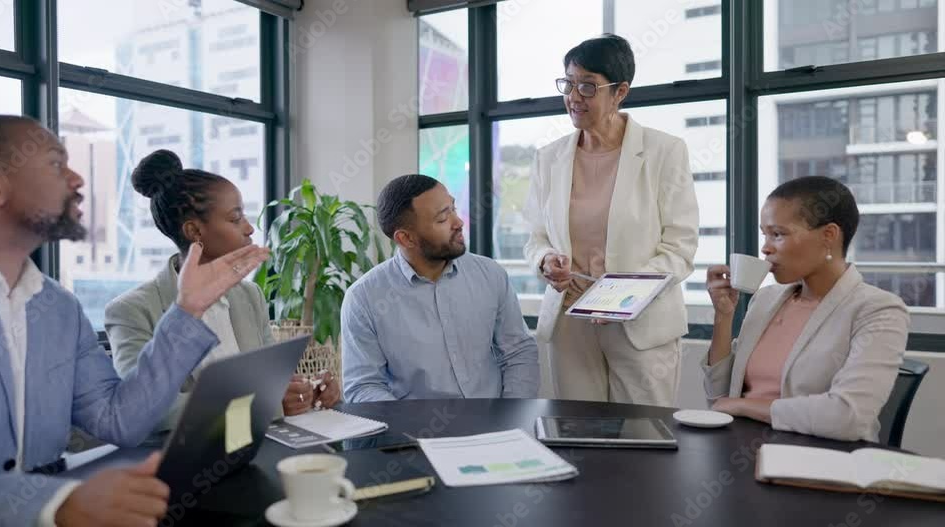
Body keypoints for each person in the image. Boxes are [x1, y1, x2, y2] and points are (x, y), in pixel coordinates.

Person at [0, 115, 269, 526]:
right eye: (56, 165)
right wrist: (53, 503)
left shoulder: (59, 309)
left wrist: (188, 312)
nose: (77, 179)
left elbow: (120, 420)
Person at [105, 149, 340, 432]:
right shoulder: (132, 310)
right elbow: (146, 410)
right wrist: (262, 403)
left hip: (255, 448)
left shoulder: (249, 296)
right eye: (235, 218)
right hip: (182, 460)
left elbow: (271, 382)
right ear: (195, 231)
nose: (249, 228)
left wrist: (308, 391)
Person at [524, 34, 699, 406]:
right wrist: (545, 259)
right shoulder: (548, 158)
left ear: (620, 92)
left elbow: (679, 249)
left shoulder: (664, 151)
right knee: (579, 433)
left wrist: (618, 298)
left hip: (639, 324)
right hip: (570, 322)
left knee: (644, 438)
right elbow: (536, 236)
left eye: (587, 86)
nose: (573, 96)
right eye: (568, 84)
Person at [704, 176, 909, 442]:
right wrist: (723, 316)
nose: (765, 248)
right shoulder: (765, 300)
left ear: (828, 236)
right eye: (764, 234)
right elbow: (718, 399)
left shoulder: (878, 310)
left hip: (819, 461)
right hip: (740, 448)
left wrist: (744, 406)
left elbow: (848, 417)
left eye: (778, 234)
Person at [341, 174, 539, 402]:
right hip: (414, 432)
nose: (459, 222)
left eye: (453, 208)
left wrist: (511, 417)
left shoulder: (490, 275)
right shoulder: (364, 299)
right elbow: (363, 387)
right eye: (443, 218)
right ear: (406, 238)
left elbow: (518, 353)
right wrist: (413, 430)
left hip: (498, 427)